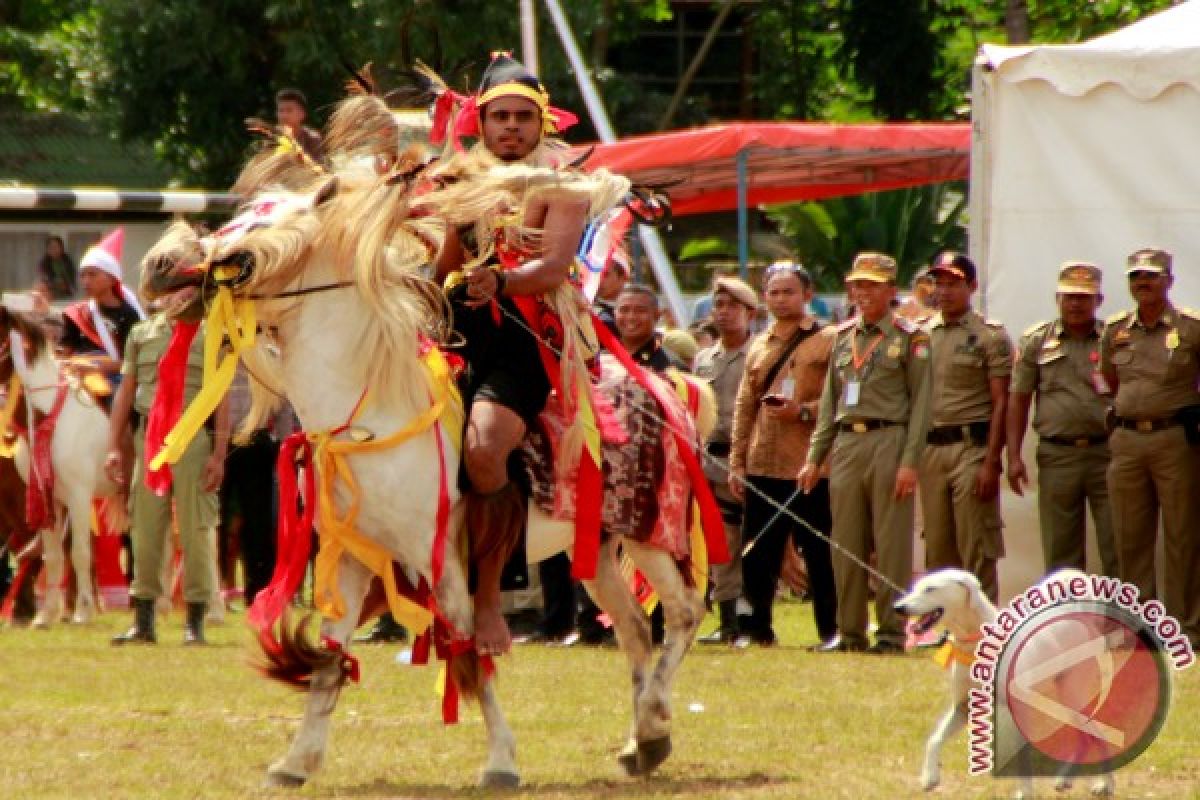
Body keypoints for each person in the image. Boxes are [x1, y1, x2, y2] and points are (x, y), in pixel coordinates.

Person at [429, 52, 627, 657]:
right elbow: (444, 271)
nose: (510, 127)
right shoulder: (455, 182)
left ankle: (492, 597)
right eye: (499, 117)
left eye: (521, 117)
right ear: (480, 124)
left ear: (542, 124)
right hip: (456, 335)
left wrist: (500, 283)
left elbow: (553, 267)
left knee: (485, 446)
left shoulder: (563, 184)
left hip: (528, 338)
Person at [798, 252, 931, 654]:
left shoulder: (911, 338)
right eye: (858, 285)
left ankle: (891, 632)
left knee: (891, 544)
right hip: (847, 443)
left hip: (889, 440)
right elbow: (828, 405)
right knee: (845, 542)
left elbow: (922, 405)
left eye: (873, 285)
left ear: (892, 290)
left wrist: (910, 462)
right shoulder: (842, 337)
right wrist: (813, 457)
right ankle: (849, 631)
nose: (863, 293)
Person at [107, 302, 229, 645]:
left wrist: (219, 454)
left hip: (192, 439)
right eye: (169, 290)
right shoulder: (141, 333)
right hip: (150, 439)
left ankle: (195, 623)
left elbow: (220, 398)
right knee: (144, 530)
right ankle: (143, 622)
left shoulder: (211, 335)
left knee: (196, 532)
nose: (177, 298)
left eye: (184, 290)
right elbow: (126, 391)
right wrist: (114, 446)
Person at [729, 263, 836, 648]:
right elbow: (745, 404)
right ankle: (755, 629)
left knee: (820, 551)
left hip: (810, 464)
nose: (779, 299)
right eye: (773, 292)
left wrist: (801, 411)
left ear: (807, 295)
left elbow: (836, 399)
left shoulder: (830, 340)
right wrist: (737, 461)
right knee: (757, 552)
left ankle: (830, 630)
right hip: (762, 460)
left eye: (788, 291)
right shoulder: (759, 343)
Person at [1100, 247, 1200, 648]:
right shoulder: (1116, 329)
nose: (1143, 283)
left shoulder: (1191, 327)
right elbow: (1110, 378)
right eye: (1136, 277)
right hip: (1126, 440)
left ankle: (1186, 628)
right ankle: (1139, 628)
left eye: (1152, 276)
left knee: (1182, 534)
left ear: (1169, 281)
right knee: (1130, 536)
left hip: (1174, 439)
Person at [1007, 262, 1117, 577]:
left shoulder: (1114, 339)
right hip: (1058, 456)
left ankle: (1120, 622)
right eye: (1069, 296)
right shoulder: (1037, 340)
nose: (1076, 303)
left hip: (1107, 453)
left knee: (1116, 543)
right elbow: (1019, 399)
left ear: (1099, 300)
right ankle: (1068, 621)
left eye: (1084, 297)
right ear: (1057, 298)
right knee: (1060, 550)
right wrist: (1013, 456)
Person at [919, 252, 1012, 603]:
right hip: (930, 450)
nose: (944, 291)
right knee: (938, 545)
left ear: (971, 286)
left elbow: (1001, 401)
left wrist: (992, 460)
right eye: (938, 283)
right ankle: (946, 628)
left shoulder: (989, 336)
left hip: (971, 447)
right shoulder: (921, 334)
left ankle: (986, 630)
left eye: (953, 283)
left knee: (976, 542)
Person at [692, 276, 757, 643]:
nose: (724, 312)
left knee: (754, 541)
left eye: (733, 306)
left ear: (750, 313)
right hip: (710, 461)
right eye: (719, 305)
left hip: (749, 458)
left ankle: (753, 618)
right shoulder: (703, 358)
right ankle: (729, 620)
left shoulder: (759, 353)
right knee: (720, 542)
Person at [57, 228, 146, 388]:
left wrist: (97, 366)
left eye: (92, 274)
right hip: (76, 378)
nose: (86, 281)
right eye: (83, 275)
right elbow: (64, 352)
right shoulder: (76, 313)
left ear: (112, 279)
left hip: (115, 381)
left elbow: (134, 363)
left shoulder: (129, 315)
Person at [615, 285, 684, 371]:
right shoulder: (601, 359)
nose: (631, 317)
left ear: (657, 316)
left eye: (640, 310)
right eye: (624, 310)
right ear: (614, 314)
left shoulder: (670, 366)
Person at [275, 88, 323, 160]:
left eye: (289, 110)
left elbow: (317, 167)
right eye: (281, 111)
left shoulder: (312, 139)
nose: (284, 115)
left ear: (302, 114)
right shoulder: (271, 136)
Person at [592, 247, 630, 336]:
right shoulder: (586, 308)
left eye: (605, 274)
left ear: (623, 277)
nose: (599, 280)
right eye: (596, 273)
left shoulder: (645, 306)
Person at [36, 235, 76, 301]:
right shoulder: (44, 264)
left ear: (61, 248)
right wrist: (54, 285)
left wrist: (66, 285)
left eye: (55, 247)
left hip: (66, 296)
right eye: (50, 247)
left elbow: (72, 280)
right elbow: (43, 279)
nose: (53, 250)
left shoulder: (67, 262)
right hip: (50, 296)